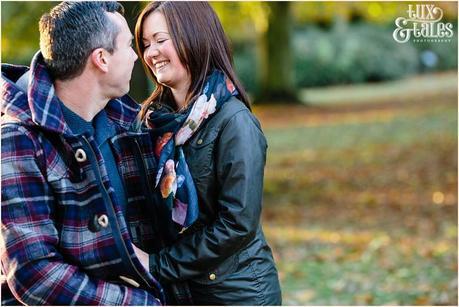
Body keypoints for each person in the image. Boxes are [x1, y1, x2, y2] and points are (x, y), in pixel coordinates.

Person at [1, 2, 165, 305]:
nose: (136, 56)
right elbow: (35, 274)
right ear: (101, 59)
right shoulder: (18, 138)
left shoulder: (124, 122)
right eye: (129, 45)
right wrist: (141, 303)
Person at [133, 1, 282, 305]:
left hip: (236, 294)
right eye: (146, 44)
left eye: (161, 40)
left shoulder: (234, 121)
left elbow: (236, 224)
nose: (151, 53)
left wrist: (157, 265)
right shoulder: (150, 122)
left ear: (194, 36)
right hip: (178, 292)